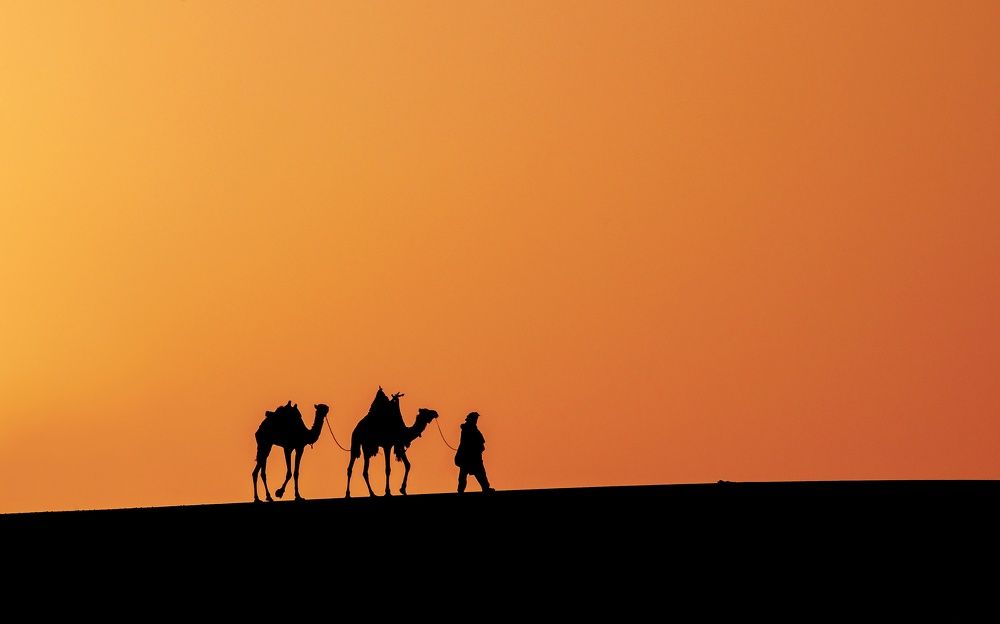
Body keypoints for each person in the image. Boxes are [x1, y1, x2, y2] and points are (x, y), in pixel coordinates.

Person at [455, 412, 494, 493]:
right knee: (478, 473)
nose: (476, 420)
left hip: (470, 456)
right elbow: (472, 441)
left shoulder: (470, 428)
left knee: (476, 474)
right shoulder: (469, 429)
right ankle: (484, 488)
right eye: (475, 418)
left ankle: (484, 488)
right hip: (469, 456)